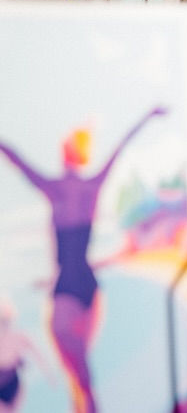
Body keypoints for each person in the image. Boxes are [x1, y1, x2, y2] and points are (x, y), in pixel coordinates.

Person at [0, 108, 165, 413]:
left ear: (65, 156)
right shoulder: (90, 186)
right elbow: (121, 146)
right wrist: (148, 117)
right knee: (80, 371)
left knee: (77, 370)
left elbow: (16, 159)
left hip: (70, 286)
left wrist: (148, 118)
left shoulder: (56, 189)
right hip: (87, 287)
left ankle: (86, 407)